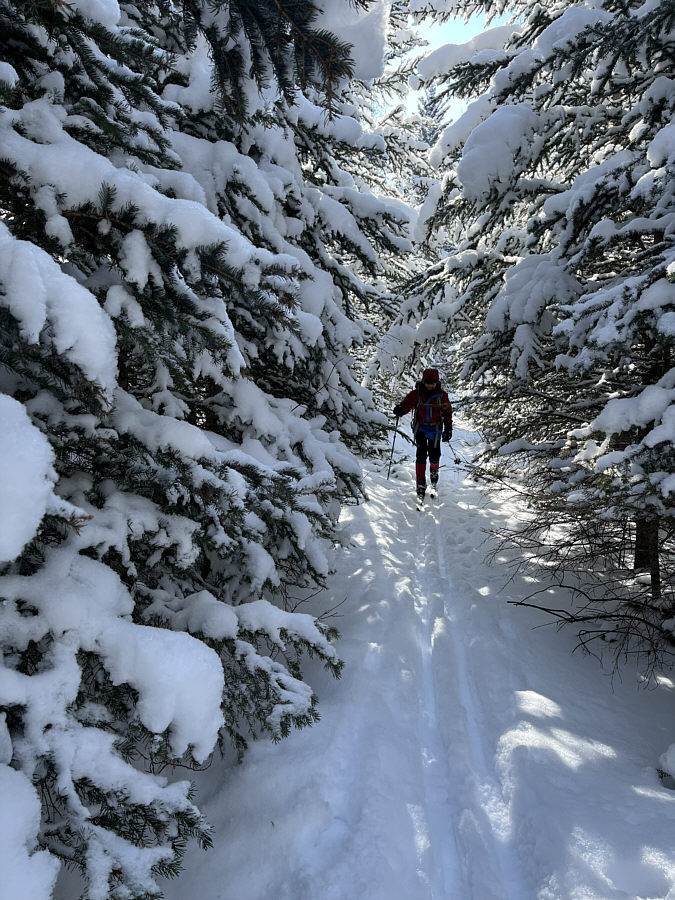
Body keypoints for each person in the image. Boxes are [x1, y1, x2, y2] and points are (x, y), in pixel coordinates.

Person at [393, 368, 453, 502]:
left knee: (434, 454)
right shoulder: (417, 394)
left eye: (432, 382)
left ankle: (434, 472)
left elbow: (447, 411)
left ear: (437, 382)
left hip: (435, 430)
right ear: (423, 381)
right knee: (421, 454)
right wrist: (400, 410)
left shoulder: (442, 395)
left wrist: (448, 428)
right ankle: (420, 482)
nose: (429, 385)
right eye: (427, 382)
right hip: (420, 429)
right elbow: (407, 404)